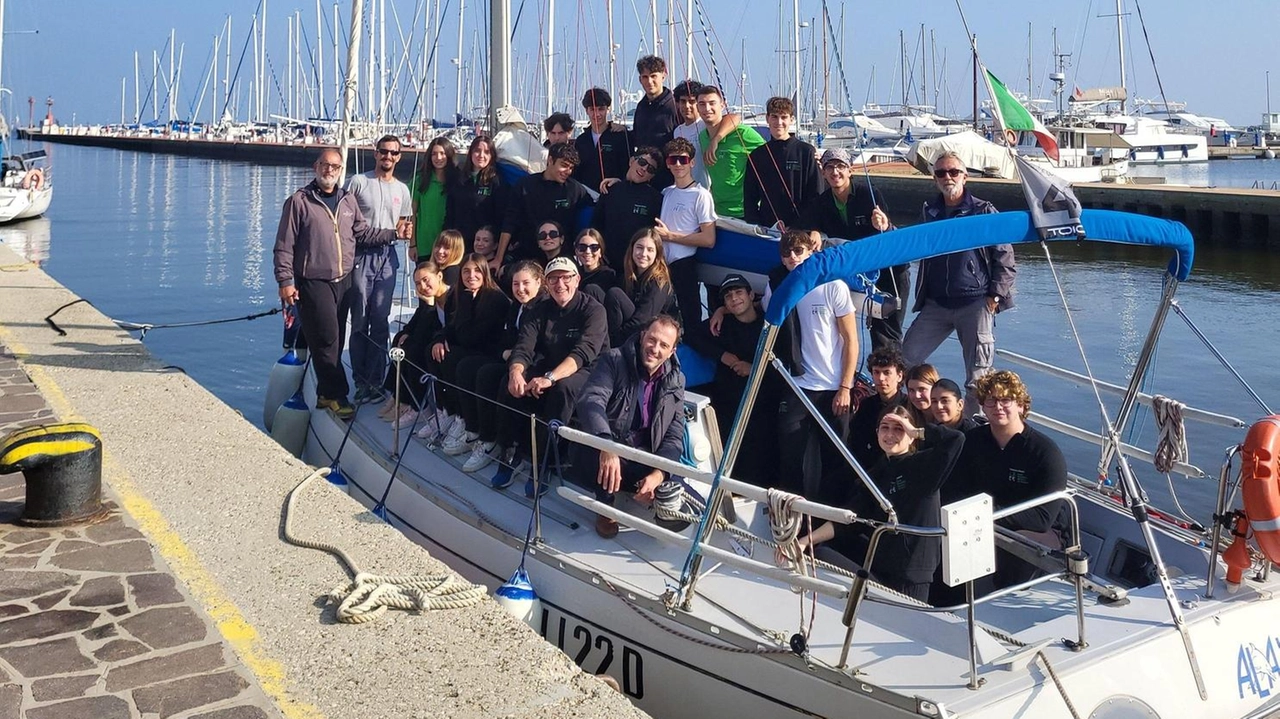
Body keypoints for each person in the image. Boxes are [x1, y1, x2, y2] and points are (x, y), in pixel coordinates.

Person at [273, 148, 406, 418]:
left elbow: (362, 232)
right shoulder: (299, 201)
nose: (329, 171)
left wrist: (393, 234)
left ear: (340, 170)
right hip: (314, 281)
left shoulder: (347, 200)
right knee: (328, 339)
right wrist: (285, 280)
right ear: (316, 166)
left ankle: (323, 393)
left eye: (335, 167)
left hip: (344, 279)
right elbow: (284, 246)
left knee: (335, 337)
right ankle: (337, 393)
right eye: (325, 165)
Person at [793, 405, 965, 602]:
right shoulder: (878, 472)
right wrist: (805, 541)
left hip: (911, 573)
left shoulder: (924, 467)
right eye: (885, 427)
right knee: (822, 551)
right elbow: (852, 517)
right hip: (882, 563)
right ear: (877, 433)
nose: (890, 434)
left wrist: (915, 430)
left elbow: (956, 440)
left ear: (911, 436)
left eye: (898, 428)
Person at [902, 151, 1016, 413]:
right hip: (936, 304)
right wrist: (886, 231)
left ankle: (970, 427)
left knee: (978, 377)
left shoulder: (983, 211)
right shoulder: (929, 211)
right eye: (941, 173)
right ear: (934, 179)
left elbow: (1006, 257)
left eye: (953, 172)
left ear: (965, 177)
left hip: (975, 304)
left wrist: (995, 296)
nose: (947, 177)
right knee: (905, 360)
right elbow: (911, 245)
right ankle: (925, 413)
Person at [491, 257, 609, 492]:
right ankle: (509, 451)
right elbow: (524, 346)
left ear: (577, 279)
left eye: (566, 277)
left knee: (562, 389)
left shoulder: (593, 310)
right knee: (509, 381)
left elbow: (583, 352)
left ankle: (543, 463)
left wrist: (550, 378)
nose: (560, 284)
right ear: (546, 283)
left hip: (587, 370)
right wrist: (516, 372)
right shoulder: (539, 310)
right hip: (552, 365)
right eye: (553, 278)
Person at [951, 370, 1068, 590]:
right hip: (982, 522)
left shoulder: (1045, 453)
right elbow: (957, 488)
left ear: (1021, 406)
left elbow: (1042, 518)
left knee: (1016, 548)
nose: (998, 406)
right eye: (991, 400)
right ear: (983, 406)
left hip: (1038, 532)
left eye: (1006, 400)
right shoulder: (973, 441)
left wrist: (987, 517)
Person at [573, 315, 687, 539]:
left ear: (672, 351)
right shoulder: (613, 360)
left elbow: (675, 433)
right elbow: (591, 401)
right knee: (598, 458)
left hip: (645, 454)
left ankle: (653, 496)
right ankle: (605, 506)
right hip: (610, 446)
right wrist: (607, 445)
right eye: (652, 340)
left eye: (664, 345)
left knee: (686, 496)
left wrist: (659, 473)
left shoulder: (677, 380)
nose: (655, 349)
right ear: (643, 335)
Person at [766, 229, 859, 504]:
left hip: (832, 387)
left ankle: (836, 518)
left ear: (811, 252)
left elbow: (851, 340)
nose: (793, 258)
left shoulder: (833, 286)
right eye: (787, 253)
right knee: (789, 457)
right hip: (796, 385)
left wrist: (845, 386)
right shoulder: (778, 286)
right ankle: (792, 513)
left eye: (798, 251)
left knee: (836, 459)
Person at [796, 148, 908, 352]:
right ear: (823, 172)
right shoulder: (821, 202)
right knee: (849, 328)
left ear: (850, 171)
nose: (835, 172)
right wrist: (813, 231)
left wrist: (884, 224)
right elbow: (806, 227)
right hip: (855, 274)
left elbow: (889, 231)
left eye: (840, 166)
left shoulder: (869, 195)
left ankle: (892, 381)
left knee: (886, 334)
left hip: (888, 272)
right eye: (830, 167)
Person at [685, 273, 779, 488]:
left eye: (739, 293)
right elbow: (691, 335)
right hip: (728, 404)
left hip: (761, 404)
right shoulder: (722, 324)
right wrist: (723, 356)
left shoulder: (769, 325)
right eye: (728, 297)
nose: (734, 299)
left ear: (751, 295)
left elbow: (783, 361)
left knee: (760, 458)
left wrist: (753, 368)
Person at [345, 134, 414, 405]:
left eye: (393, 153)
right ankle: (361, 381)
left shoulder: (403, 190)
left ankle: (376, 379)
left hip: (388, 259)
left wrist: (407, 234)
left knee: (381, 320)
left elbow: (405, 225)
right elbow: (349, 223)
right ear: (376, 153)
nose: (388, 157)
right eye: (383, 152)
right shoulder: (359, 182)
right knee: (360, 319)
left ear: (399, 157)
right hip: (362, 257)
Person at [459, 261, 546, 472]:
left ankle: (499, 444)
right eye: (516, 284)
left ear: (539, 282)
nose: (520, 289)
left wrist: (513, 356)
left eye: (526, 283)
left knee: (491, 377)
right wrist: (504, 352)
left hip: (532, 363)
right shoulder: (516, 306)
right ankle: (472, 428)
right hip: (510, 357)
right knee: (467, 366)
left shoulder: (541, 308)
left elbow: (537, 345)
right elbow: (504, 339)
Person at [435, 254, 512, 451]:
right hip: (471, 346)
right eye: (466, 271)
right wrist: (439, 339)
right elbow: (452, 327)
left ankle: (475, 430)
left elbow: (470, 337)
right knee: (437, 353)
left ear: (485, 272)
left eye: (477, 270)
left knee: (463, 365)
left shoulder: (495, 299)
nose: (471, 275)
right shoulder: (460, 294)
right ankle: (455, 414)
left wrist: (468, 301)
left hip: (489, 350)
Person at [496, 142, 594, 269]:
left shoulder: (574, 189)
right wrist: (499, 258)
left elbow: (598, 206)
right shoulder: (525, 185)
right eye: (564, 166)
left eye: (571, 168)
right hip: (527, 255)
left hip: (561, 259)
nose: (568, 171)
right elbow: (509, 222)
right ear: (550, 160)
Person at [376, 261, 448, 429]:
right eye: (417, 283)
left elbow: (432, 330)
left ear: (439, 276)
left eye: (425, 279)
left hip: (448, 344)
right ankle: (399, 396)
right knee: (400, 339)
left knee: (414, 350)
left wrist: (430, 306)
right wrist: (405, 332)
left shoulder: (451, 298)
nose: (422, 286)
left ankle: (419, 406)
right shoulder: (430, 297)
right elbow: (417, 322)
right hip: (436, 339)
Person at [653, 138, 716, 325]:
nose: (678, 164)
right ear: (667, 164)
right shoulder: (667, 192)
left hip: (684, 265)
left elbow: (709, 238)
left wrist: (669, 236)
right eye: (673, 160)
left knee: (691, 321)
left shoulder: (701, 195)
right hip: (662, 266)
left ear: (692, 162)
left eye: (683, 160)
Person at [743, 96, 821, 229]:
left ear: (791, 120)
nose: (779, 122)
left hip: (800, 229)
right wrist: (755, 225)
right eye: (774, 117)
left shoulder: (806, 151)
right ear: (767, 119)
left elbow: (815, 195)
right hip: (767, 229)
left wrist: (807, 227)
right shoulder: (757, 155)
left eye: (784, 117)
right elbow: (750, 197)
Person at [697, 84, 765, 219]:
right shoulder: (703, 137)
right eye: (702, 104)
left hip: (745, 212)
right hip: (718, 212)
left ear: (722, 105)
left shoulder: (743, 133)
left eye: (712, 103)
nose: (707, 108)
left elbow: (772, 154)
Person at [592, 147, 664, 270]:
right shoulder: (610, 189)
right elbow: (596, 225)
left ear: (651, 176)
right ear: (631, 161)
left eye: (650, 169)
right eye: (642, 162)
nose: (644, 168)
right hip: (606, 263)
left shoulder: (656, 199)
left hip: (637, 265)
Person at [603, 228, 678, 345]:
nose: (643, 254)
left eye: (650, 250)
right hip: (630, 327)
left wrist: (613, 341)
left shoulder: (659, 283)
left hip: (653, 332)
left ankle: (608, 345)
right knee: (595, 291)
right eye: (639, 247)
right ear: (632, 249)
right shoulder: (628, 276)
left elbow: (642, 321)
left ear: (657, 254)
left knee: (615, 294)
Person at [672, 80, 741, 189]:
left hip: (707, 190)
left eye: (692, 101)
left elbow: (735, 118)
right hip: (687, 190)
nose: (687, 106)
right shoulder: (677, 131)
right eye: (683, 101)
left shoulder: (707, 125)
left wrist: (715, 140)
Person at [847, 347, 907, 469]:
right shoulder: (867, 406)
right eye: (876, 372)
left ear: (899, 376)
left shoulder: (909, 406)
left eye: (887, 372)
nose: (881, 378)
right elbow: (856, 440)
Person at [445, 135, 506, 253]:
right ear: (471, 153)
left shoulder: (496, 181)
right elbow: (450, 213)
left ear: (492, 156)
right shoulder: (459, 180)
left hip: (484, 246)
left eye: (486, 152)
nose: (481, 155)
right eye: (477, 151)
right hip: (460, 243)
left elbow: (501, 215)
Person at [632, 56, 680, 187]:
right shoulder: (641, 106)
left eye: (654, 76)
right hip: (645, 177)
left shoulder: (675, 106)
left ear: (663, 76)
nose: (650, 81)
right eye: (645, 77)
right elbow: (637, 137)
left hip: (669, 177)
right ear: (640, 79)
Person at [573, 88, 632, 194]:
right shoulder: (581, 141)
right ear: (587, 111)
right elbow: (576, 172)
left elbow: (628, 168)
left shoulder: (621, 137)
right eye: (592, 109)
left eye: (601, 109)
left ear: (608, 109)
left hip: (614, 196)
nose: (597, 114)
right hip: (586, 198)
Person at [411, 136, 459, 261]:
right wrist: (412, 244)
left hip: (450, 246)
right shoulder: (420, 181)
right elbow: (411, 214)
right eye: (434, 154)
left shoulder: (458, 181)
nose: (438, 158)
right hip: (425, 246)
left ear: (449, 155)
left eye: (442, 153)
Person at [904, 363, 939, 429]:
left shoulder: (947, 416)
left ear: (935, 388)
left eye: (922, 389)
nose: (917, 395)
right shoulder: (905, 417)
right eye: (911, 390)